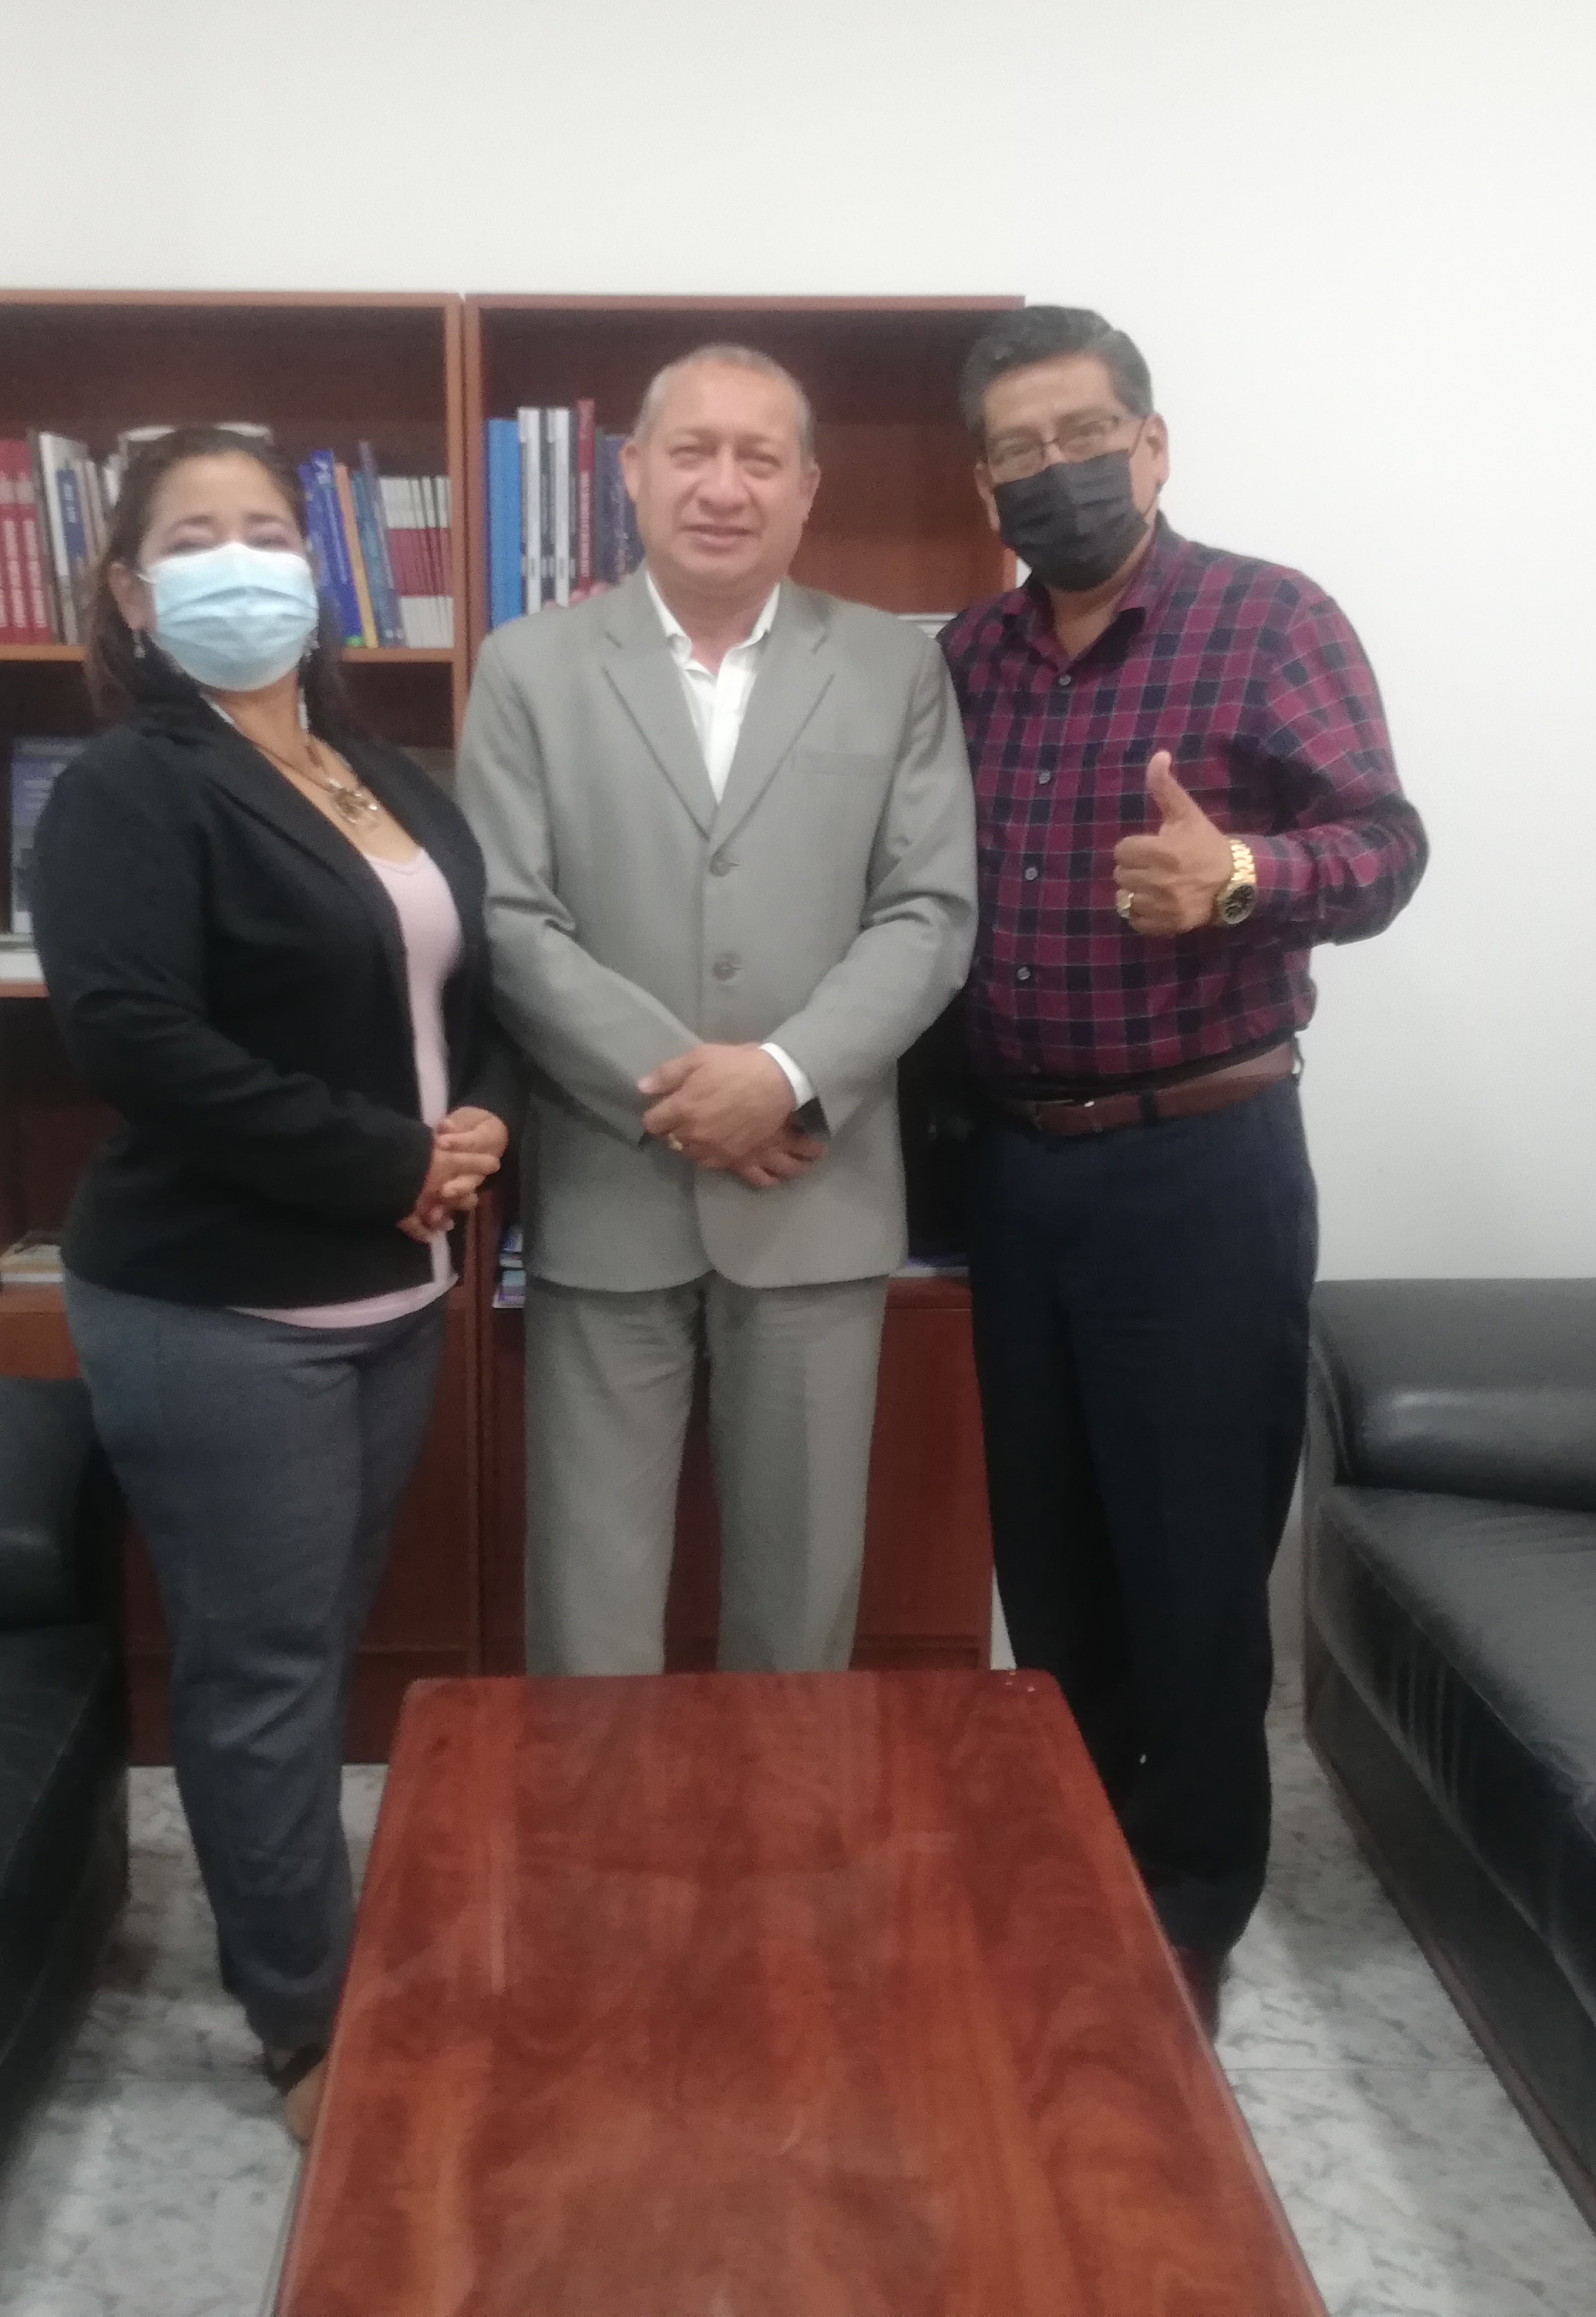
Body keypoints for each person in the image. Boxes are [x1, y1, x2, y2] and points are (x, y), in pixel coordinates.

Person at [940, 305, 1427, 2027]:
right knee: (1050, 1548)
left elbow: (1386, 848)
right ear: (984, 484)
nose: (1054, 473)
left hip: (1201, 1159)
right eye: (1017, 452)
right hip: (1016, 1167)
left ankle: (1191, 1898)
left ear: (1152, 445)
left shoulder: (1267, 618)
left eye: (1084, 437)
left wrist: (1240, 883)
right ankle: (1076, 1845)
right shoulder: (967, 659)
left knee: (1196, 1553)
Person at [29, 427, 514, 2141]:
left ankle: (312, 1937)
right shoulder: (128, 790)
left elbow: (470, 989)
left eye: (266, 529)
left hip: (392, 1296)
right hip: (220, 1308)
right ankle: (307, 2025)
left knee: (316, 1647)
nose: (239, 561)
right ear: (129, 590)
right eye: (193, 538)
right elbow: (136, 1042)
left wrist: (482, 1122)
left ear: (318, 569)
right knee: (264, 1675)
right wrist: (390, 1164)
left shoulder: (380, 772)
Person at [459, 345, 978, 1677]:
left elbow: (928, 913)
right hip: (609, 1186)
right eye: (692, 451)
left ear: (808, 489)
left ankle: (783, 1824)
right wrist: (694, 1094)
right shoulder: (527, 667)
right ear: (632, 472)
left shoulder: (894, 666)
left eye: (761, 457)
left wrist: (785, 1074)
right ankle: (597, 1823)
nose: (724, 486)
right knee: (591, 1610)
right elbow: (509, 920)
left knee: (802, 1610)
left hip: (814, 1194)